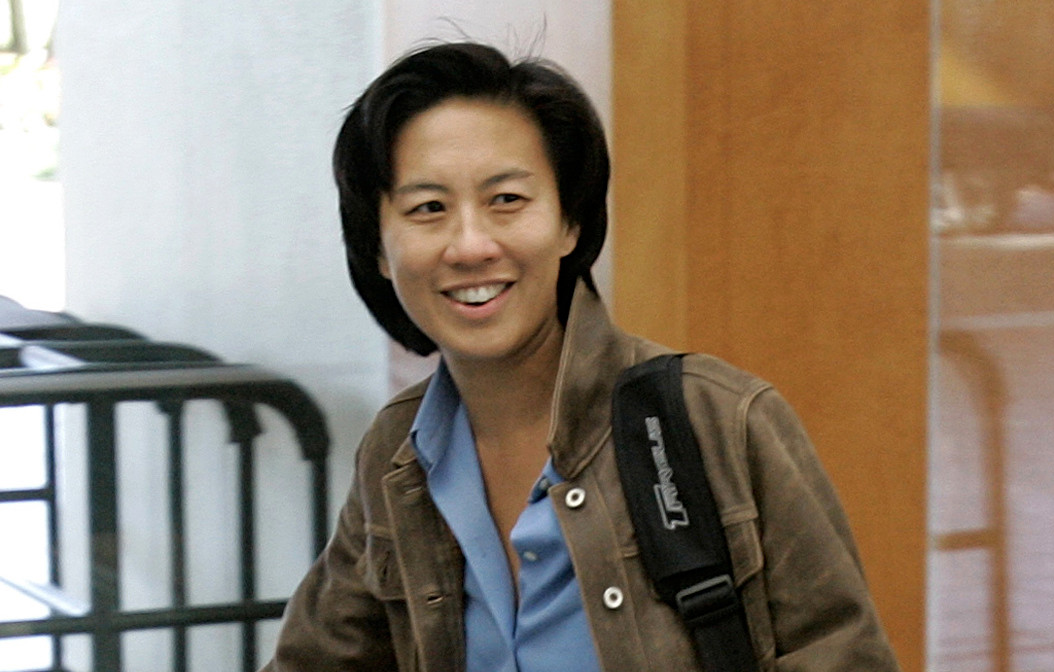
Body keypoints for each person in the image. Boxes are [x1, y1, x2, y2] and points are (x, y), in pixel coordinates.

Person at [262, 41, 900, 672]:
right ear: (379, 248)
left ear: (570, 222)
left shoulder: (722, 420)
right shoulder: (398, 454)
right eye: (428, 208)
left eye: (506, 199)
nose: (471, 244)